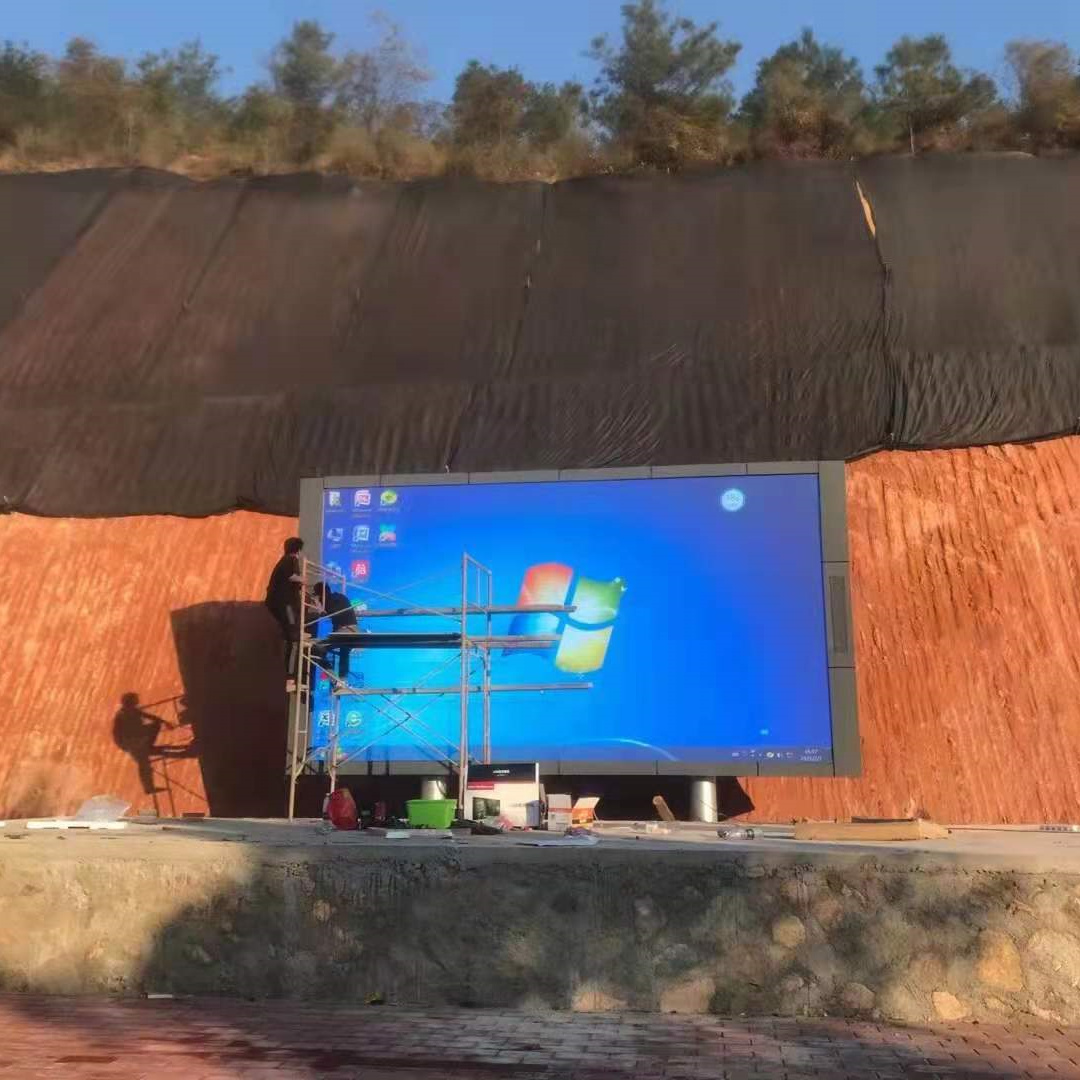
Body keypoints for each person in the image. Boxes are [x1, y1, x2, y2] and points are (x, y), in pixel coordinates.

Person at [265, 537, 306, 677]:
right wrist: (303, 580)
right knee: (293, 638)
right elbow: (291, 576)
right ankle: (290, 674)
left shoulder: (284, 560)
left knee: (290, 634)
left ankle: (287, 669)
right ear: (298, 550)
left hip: (280, 604)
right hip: (286, 604)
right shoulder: (291, 559)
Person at [311, 580, 360, 679]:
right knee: (344, 653)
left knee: (316, 650)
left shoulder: (332, 600)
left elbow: (327, 614)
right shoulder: (339, 597)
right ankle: (342, 679)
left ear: (321, 594)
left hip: (345, 631)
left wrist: (318, 604)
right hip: (352, 632)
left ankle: (334, 678)